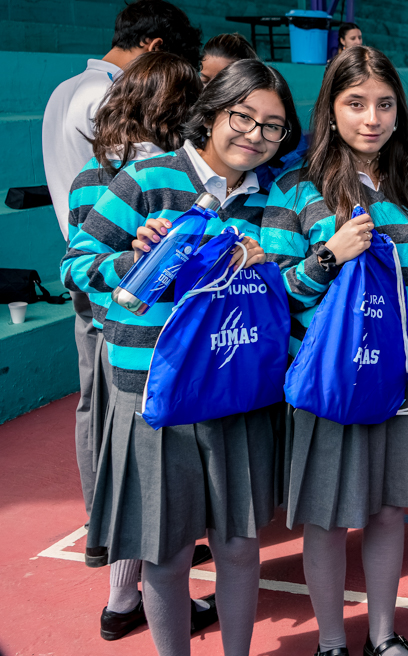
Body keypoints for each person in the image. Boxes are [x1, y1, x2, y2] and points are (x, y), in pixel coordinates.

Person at [66, 59, 302, 656]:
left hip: (237, 390)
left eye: (272, 126)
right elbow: (76, 265)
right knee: (165, 554)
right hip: (154, 394)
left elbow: (295, 278)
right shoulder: (148, 179)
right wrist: (137, 262)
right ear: (213, 111)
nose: (255, 135)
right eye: (242, 116)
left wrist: (271, 265)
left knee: (240, 546)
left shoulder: (276, 196)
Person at [261, 47, 408, 656]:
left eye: (385, 105)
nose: (372, 118)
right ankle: (332, 642)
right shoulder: (296, 187)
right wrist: (328, 256)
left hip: (398, 381)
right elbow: (274, 292)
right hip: (329, 384)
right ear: (330, 109)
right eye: (356, 103)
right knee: (327, 516)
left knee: (390, 511)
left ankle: (383, 635)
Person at [58, 51, 202, 642]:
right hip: (148, 350)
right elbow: (88, 264)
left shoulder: (90, 174)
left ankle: (122, 599)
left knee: (131, 484)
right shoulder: (156, 178)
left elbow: (81, 266)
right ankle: (129, 598)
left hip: (110, 339)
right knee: (147, 491)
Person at [44, 0, 202, 239]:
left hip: (81, 234)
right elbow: (149, 171)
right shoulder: (118, 94)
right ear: (156, 48)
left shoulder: (61, 89)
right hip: (126, 239)